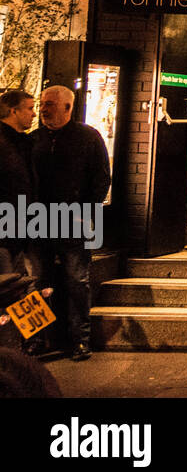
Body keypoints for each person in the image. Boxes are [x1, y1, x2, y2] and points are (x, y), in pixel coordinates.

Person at [30, 85, 111, 362]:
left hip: (74, 221)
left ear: (68, 107)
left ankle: (80, 339)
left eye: (50, 103)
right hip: (36, 222)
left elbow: (101, 179)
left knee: (77, 281)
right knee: (36, 281)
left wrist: (86, 212)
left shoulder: (88, 138)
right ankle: (36, 338)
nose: (43, 108)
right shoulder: (33, 140)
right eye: (42, 103)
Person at [0, 90, 36, 277]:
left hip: (19, 233)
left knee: (17, 292)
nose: (34, 113)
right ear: (13, 111)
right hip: (6, 234)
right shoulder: (6, 145)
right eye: (30, 108)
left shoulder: (25, 142)